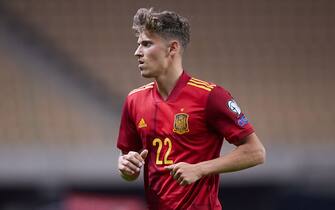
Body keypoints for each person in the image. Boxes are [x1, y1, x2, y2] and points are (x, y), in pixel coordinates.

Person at [117, 8, 266, 210]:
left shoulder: (211, 96)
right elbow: (129, 170)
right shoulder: (134, 100)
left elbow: (256, 152)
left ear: (172, 48)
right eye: (138, 45)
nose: (137, 52)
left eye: (146, 44)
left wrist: (200, 169)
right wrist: (126, 167)